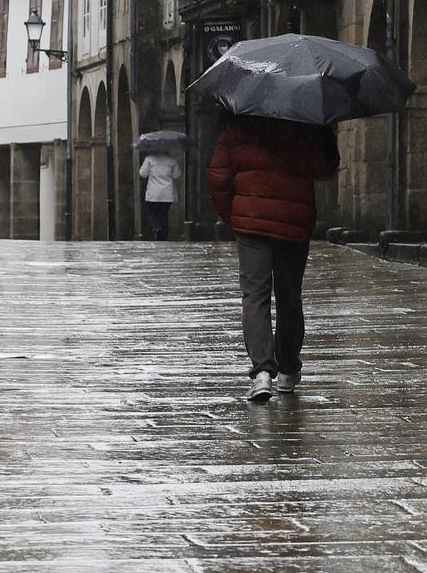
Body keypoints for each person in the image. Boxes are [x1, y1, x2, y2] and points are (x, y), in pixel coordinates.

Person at [206, 114, 339, 402]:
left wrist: (235, 214)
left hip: (250, 222)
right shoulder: (306, 125)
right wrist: (324, 133)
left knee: (255, 295)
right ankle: (288, 369)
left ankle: (263, 372)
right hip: (294, 221)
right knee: (289, 296)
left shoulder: (238, 126)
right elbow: (326, 168)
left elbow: (218, 176)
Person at [138, 151, 182, 240]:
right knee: (164, 214)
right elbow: (176, 175)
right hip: (167, 193)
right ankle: (163, 233)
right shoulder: (172, 160)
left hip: (153, 193)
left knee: (153, 213)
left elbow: (143, 174)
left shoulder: (149, 159)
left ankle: (156, 228)